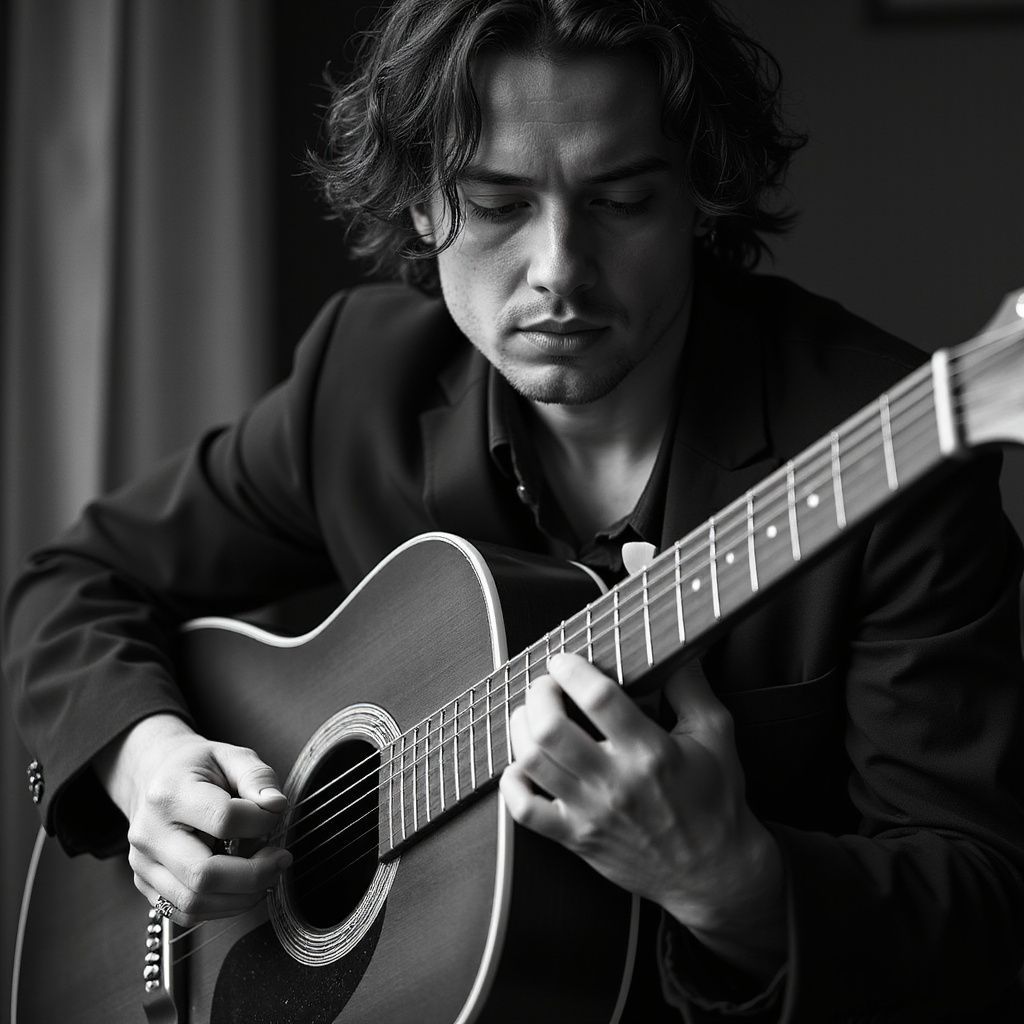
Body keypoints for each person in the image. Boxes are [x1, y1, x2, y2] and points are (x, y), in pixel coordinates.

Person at [5, 0, 1024, 1020]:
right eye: (496, 205)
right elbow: (76, 582)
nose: (558, 272)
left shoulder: (896, 447)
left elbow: (987, 919)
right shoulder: (361, 386)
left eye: (621, 200)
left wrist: (730, 881)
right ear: (420, 205)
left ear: (697, 197)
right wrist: (147, 762)